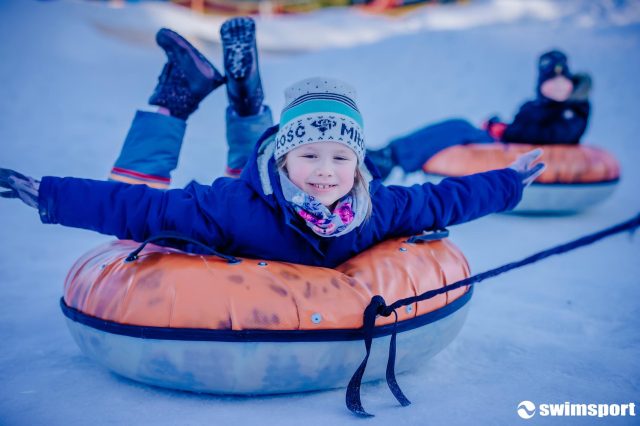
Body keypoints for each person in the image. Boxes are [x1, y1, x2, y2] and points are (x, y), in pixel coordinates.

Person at [0, 18, 545, 269]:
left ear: (359, 164)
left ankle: (239, 100)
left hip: (262, 179)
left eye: (341, 158)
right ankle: (240, 101)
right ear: (286, 157)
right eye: (309, 156)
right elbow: (141, 208)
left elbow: (443, 199)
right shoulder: (229, 206)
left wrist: (508, 181)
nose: (326, 171)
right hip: (253, 194)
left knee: (248, 169)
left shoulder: (375, 207)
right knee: (232, 182)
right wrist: (48, 193)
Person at [367, 49, 591, 180]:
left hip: (512, 149)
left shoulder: (573, 110)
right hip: (505, 143)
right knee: (458, 126)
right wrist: (500, 126)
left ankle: (392, 157)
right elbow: (522, 127)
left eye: (562, 81)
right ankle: (390, 153)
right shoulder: (536, 105)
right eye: (551, 82)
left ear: (571, 83)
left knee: (460, 127)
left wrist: (505, 131)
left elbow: (553, 135)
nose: (557, 87)